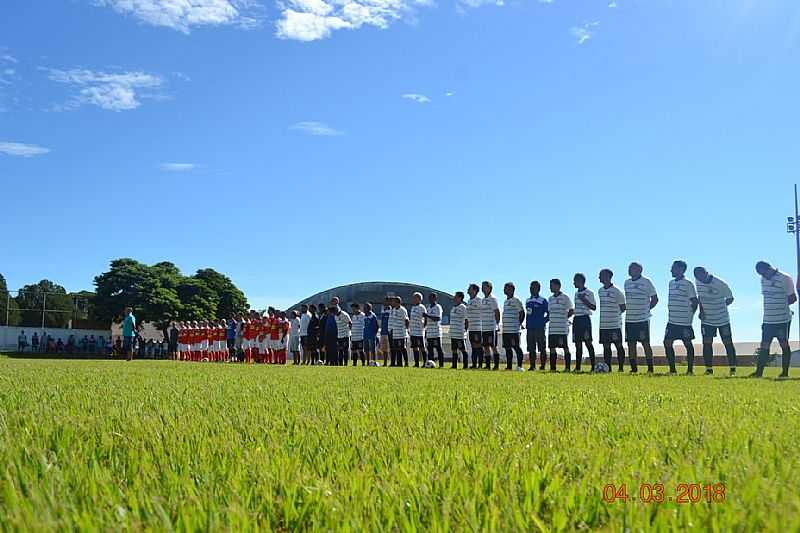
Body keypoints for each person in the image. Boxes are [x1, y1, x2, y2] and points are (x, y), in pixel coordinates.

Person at [752, 261, 797, 378]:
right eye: (760, 274)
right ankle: (759, 372)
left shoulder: (785, 278)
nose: (763, 276)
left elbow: (793, 298)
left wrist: (781, 305)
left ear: (770, 268)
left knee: (784, 344)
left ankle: (785, 372)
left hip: (782, 319)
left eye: (764, 273)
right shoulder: (763, 280)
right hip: (768, 320)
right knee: (764, 345)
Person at [693, 266, 736, 375]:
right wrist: (701, 311)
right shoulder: (697, 282)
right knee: (707, 343)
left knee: (727, 343)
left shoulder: (720, 283)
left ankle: (733, 369)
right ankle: (709, 369)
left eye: (701, 277)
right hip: (707, 320)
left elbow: (730, 298)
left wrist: (720, 307)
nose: (699, 279)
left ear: (706, 273)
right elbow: (700, 297)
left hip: (722, 319)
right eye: (697, 277)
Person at [663, 261, 698, 375]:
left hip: (684, 322)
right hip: (672, 321)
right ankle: (672, 370)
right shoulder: (671, 283)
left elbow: (694, 301)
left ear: (681, 269)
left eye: (673, 268)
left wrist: (690, 316)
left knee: (687, 343)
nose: (671, 270)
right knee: (667, 342)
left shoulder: (688, 284)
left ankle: (690, 370)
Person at [624, 262, 658, 374]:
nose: (629, 270)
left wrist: (646, 310)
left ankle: (650, 368)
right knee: (631, 344)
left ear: (639, 270)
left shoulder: (646, 282)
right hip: (629, 319)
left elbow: (655, 299)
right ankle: (634, 368)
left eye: (632, 268)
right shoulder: (627, 283)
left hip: (642, 319)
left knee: (645, 343)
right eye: (629, 268)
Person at [598, 269, 627, 371]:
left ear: (608, 276)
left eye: (601, 275)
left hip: (615, 324)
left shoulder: (617, 291)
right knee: (606, 346)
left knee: (618, 345)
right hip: (603, 325)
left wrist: (614, 315)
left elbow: (623, 307)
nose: (599, 277)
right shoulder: (600, 291)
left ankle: (621, 368)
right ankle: (608, 368)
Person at [572, 273, 597, 372]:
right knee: (577, 344)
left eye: (575, 280)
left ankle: (593, 367)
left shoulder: (589, 292)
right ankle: (577, 367)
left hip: (585, 319)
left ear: (580, 281)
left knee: (588, 342)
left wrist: (584, 300)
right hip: (576, 319)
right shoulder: (576, 293)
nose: (573, 283)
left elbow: (594, 307)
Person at [548, 279, 573, 372]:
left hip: (562, 328)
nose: (550, 287)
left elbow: (571, 310)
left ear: (558, 286)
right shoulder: (550, 299)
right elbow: (549, 312)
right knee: (552, 348)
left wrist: (564, 318)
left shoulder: (565, 297)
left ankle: (567, 368)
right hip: (552, 328)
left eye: (552, 285)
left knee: (565, 348)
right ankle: (553, 368)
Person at [502, 282, 525, 371]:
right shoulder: (505, 301)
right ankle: (509, 366)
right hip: (506, 330)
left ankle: (519, 366)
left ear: (511, 290)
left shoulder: (516, 300)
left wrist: (519, 324)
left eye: (506, 288)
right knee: (507, 348)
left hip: (514, 330)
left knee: (516, 347)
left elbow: (522, 313)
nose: (504, 290)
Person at [525, 281, 548, 371]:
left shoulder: (543, 300)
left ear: (538, 289)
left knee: (542, 348)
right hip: (530, 328)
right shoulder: (528, 300)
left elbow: (548, 313)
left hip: (540, 328)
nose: (531, 289)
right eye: (530, 288)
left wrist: (543, 322)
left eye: (533, 288)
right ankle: (532, 366)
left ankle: (542, 366)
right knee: (531, 348)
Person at [481, 281, 501, 370]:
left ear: (489, 288)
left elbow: (497, 311)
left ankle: (496, 365)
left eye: (484, 287)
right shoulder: (483, 300)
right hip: (484, 327)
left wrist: (497, 324)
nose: (482, 288)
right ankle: (488, 365)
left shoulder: (492, 298)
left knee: (493, 346)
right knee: (485, 346)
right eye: (482, 287)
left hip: (491, 327)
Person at [449, 291, 469, 369]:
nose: (454, 298)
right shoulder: (453, 307)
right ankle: (454, 365)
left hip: (460, 333)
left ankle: (465, 365)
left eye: (455, 296)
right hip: (453, 333)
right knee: (454, 350)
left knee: (463, 349)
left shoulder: (463, 307)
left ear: (460, 298)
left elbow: (467, 320)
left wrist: (465, 330)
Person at [425, 293, 444, 368]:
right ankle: (431, 363)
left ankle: (441, 364)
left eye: (431, 298)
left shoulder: (438, 307)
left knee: (438, 348)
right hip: (429, 332)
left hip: (436, 332)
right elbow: (427, 320)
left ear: (435, 298)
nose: (429, 299)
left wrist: (427, 315)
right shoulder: (429, 308)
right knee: (430, 349)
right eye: (429, 297)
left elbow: (437, 318)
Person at [466, 284, 484, 369]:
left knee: (478, 346)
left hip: (478, 327)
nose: (468, 290)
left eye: (469, 288)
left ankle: (480, 364)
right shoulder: (469, 301)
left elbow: (483, 311)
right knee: (473, 346)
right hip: (471, 327)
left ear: (474, 290)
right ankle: (474, 364)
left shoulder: (479, 300)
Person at [389, 296, 409, 367]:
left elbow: (406, 320)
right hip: (395, 333)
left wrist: (406, 329)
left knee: (403, 348)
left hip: (401, 333)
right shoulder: (394, 310)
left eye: (394, 301)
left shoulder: (403, 310)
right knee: (396, 349)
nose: (392, 303)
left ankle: (406, 362)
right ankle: (399, 363)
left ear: (398, 302)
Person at [409, 292, 428, 367]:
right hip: (413, 330)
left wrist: (424, 326)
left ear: (419, 299)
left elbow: (425, 317)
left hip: (419, 331)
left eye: (415, 298)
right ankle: (416, 363)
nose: (413, 299)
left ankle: (425, 362)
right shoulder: (413, 307)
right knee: (414, 347)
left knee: (422, 347)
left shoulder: (422, 307)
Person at [379, 297, 392, 367]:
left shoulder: (391, 310)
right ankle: (385, 363)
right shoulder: (382, 310)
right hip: (383, 332)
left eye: (385, 301)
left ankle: (392, 362)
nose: (384, 303)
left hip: (389, 332)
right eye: (383, 301)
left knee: (389, 348)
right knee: (384, 349)